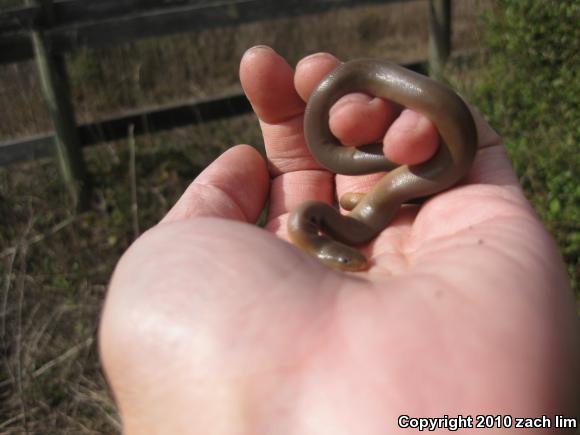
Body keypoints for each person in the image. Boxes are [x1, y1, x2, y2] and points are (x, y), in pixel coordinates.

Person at [99, 46, 580, 434]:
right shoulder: (319, 227)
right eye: (350, 260)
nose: (356, 262)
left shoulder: (333, 220)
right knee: (386, 131)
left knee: (390, 134)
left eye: (348, 260)